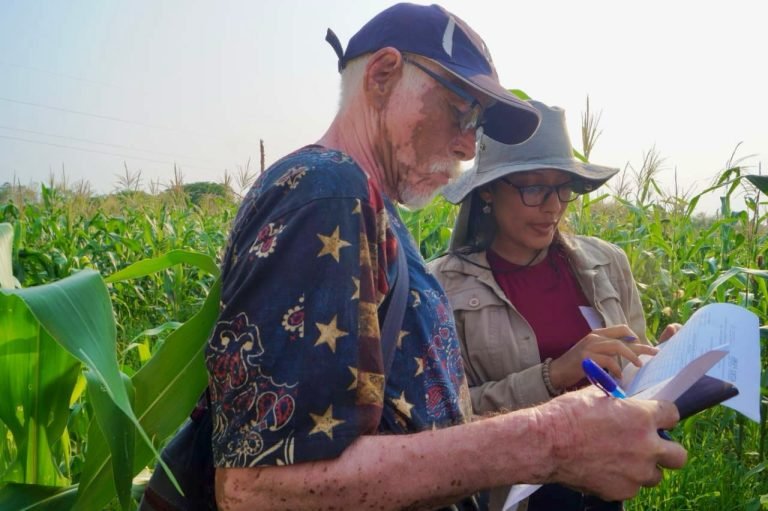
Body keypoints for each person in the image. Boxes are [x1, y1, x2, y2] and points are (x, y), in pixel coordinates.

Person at [205, 4, 686, 510]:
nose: (465, 148)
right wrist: (552, 437)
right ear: (383, 75)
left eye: (475, 127)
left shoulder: (368, 208)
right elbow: (256, 490)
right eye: (459, 113)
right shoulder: (330, 192)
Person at [429, 100, 682, 511]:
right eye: (534, 188)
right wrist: (555, 374)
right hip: (509, 497)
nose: (553, 206)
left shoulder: (606, 264)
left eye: (563, 187)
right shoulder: (441, 287)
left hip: (605, 487)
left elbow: (632, 374)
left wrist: (666, 365)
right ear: (489, 191)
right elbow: (443, 419)